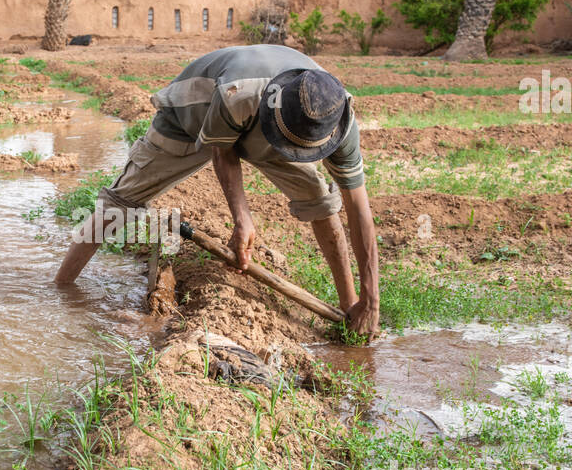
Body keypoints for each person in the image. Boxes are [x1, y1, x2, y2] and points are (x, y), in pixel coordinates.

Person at [55, 44, 380, 339]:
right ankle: (61, 287)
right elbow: (223, 152)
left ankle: (350, 306)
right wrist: (243, 219)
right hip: (190, 118)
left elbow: (359, 209)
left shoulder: (336, 117)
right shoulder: (238, 93)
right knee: (120, 202)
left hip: (275, 128)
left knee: (321, 201)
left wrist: (371, 300)